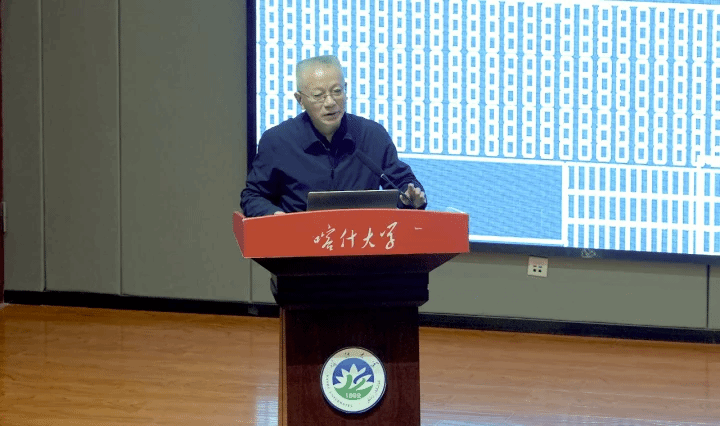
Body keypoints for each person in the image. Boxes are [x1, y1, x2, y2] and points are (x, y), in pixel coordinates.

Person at [240, 55, 427, 217]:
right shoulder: (278, 141)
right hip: (298, 242)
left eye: (337, 91)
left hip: (362, 241)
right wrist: (275, 217)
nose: (330, 102)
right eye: (318, 95)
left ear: (345, 90)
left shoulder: (372, 135)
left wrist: (411, 196)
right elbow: (252, 196)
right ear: (300, 100)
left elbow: (402, 182)